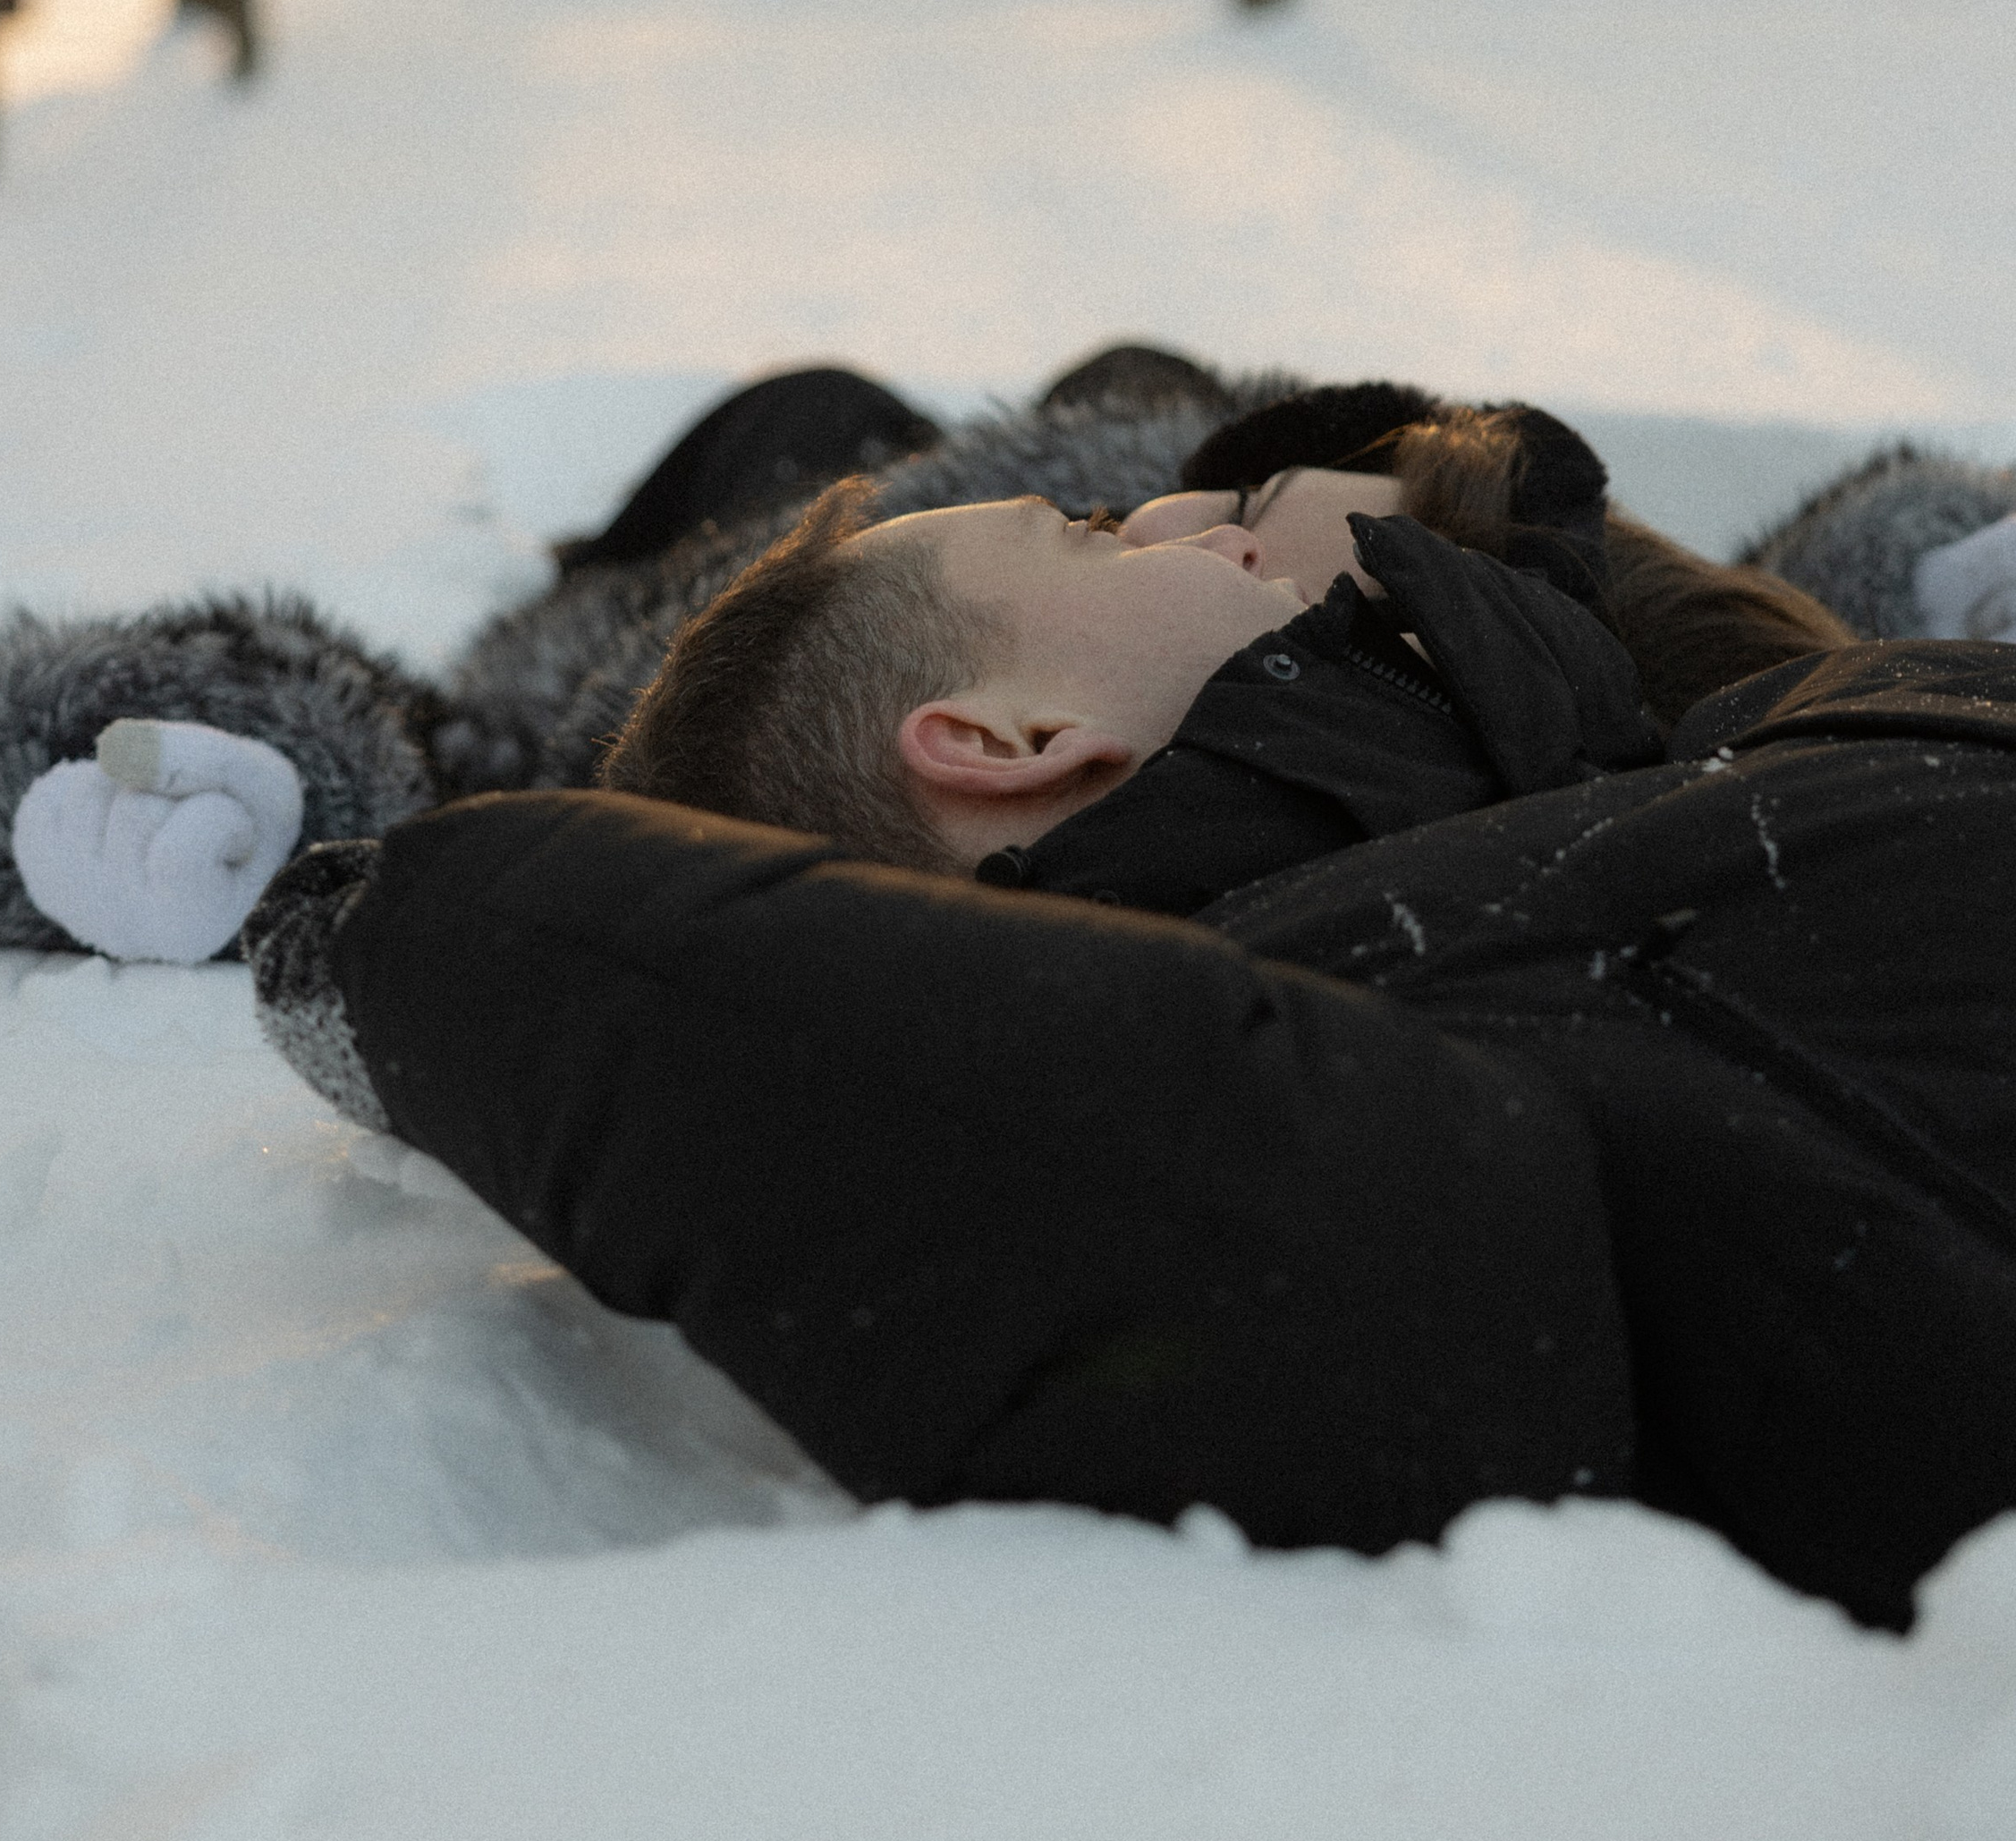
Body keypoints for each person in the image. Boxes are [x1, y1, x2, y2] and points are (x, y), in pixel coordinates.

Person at [244, 462, 2016, 1635]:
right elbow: (1294, 1219)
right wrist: (395, 932)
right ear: (1003, 738)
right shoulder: (1341, 1023)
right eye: (1093, 539)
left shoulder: (1692, 756)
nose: (1178, 508)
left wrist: (1463, 521)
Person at [0, 352, 2015, 961]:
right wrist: (227, 787)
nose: (1173, 498)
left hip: (1162, 495)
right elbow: (437, 755)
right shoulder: (734, 669)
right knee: (804, 397)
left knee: (1091, 388)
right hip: (893, 542)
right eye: (1117, 512)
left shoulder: (1247, 554)